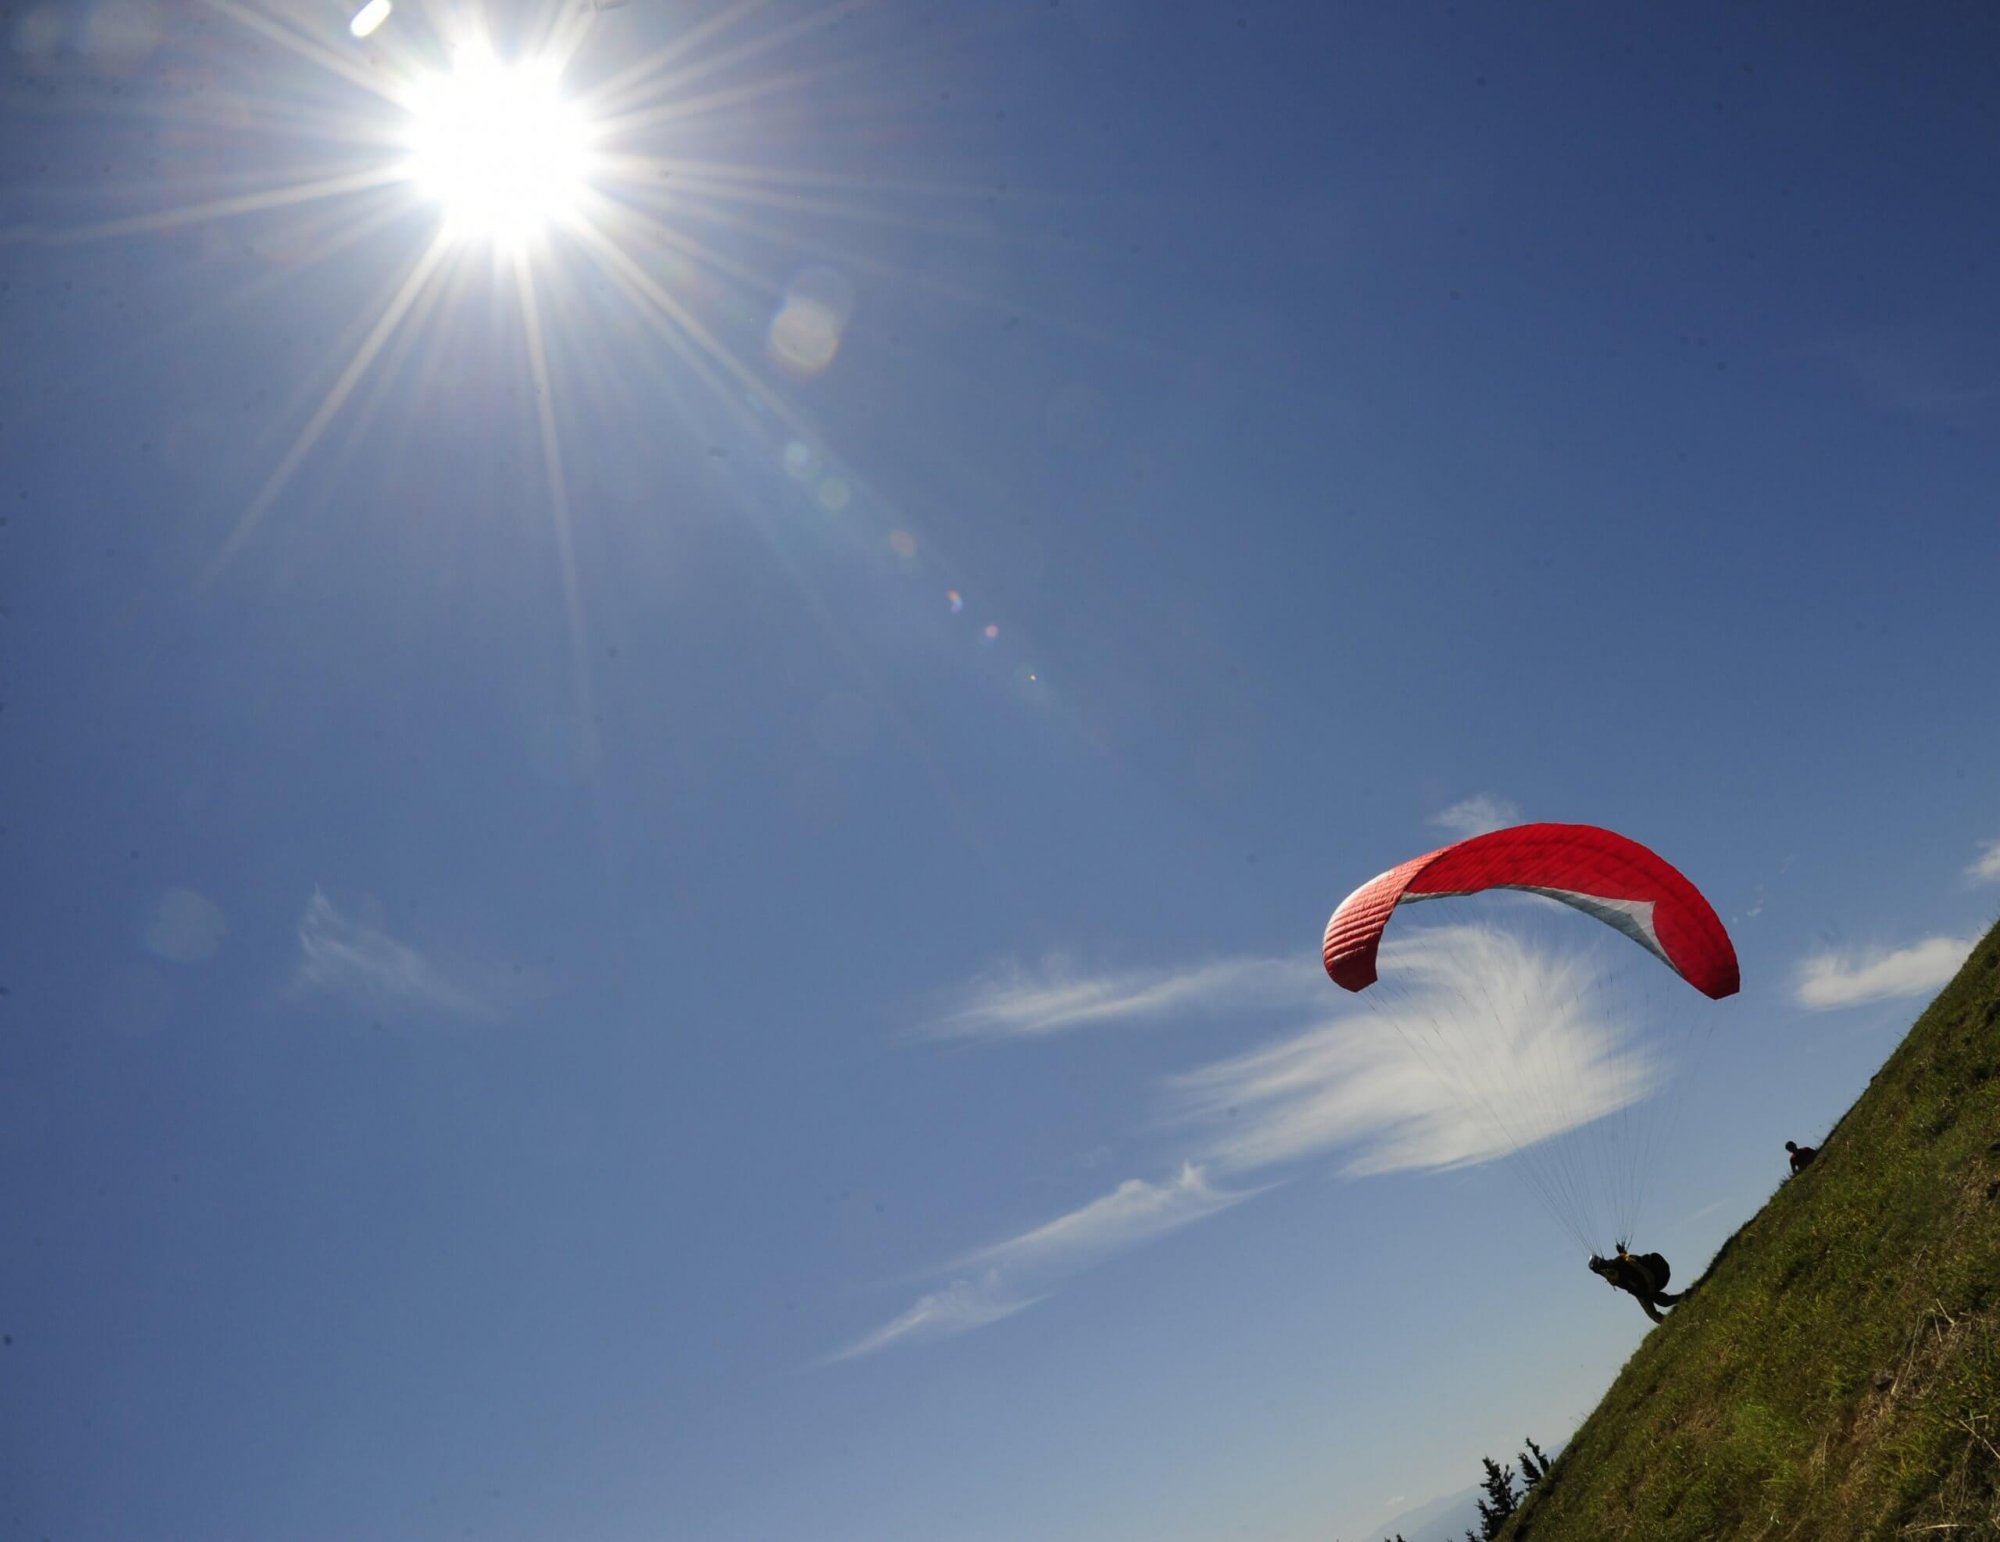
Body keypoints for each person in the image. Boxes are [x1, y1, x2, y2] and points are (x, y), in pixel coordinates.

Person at [1588, 1246, 1685, 1323]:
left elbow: (1616, 1267)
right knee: (1663, 1304)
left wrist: (1623, 1255)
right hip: (1642, 1288)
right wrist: (1623, 1254)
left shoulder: (1615, 1264)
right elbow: (1606, 1270)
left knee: (1659, 1309)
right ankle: (1684, 1298)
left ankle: (1684, 1299)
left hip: (1644, 1287)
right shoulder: (1613, 1265)